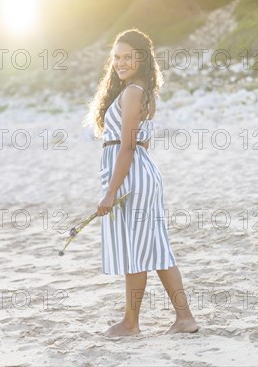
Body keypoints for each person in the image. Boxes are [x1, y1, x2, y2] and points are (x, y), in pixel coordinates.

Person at [82, 28, 199, 336]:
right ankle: (184, 318)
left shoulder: (133, 92)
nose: (120, 63)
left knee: (137, 251)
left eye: (127, 57)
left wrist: (110, 192)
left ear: (141, 59)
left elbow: (129, 145)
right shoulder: (140, 89)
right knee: (157, 248)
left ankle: (131, 323)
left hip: (132, 177)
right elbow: (139, 146)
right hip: (139, 174)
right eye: (116, 58)